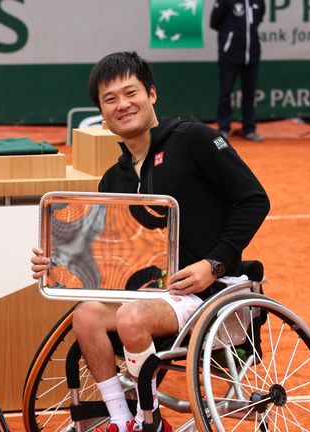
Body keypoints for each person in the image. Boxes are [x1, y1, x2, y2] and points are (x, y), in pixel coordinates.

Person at [31, 52, 269, 432]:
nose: (122, 105)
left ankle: (150, 421)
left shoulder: (194, 139)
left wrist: (214, 265)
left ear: (152, 93)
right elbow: (112, 255)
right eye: (110, 100)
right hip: (152, 296)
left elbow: (255, 200)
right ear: (102, 115)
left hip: (211, 292)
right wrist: (56, 263)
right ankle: (123, 420)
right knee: (86, 315)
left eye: (131, 93)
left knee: (130, 315)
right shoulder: (114, 180)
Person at [211, 0, 266, 142]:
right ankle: (223, 128)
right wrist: (230, 36)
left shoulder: (259, 2)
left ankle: (249, 129)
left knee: (249, 94)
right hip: (230, 54)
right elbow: (214, 22)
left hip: (252, 55)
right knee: (226, 92)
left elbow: (257, 20)